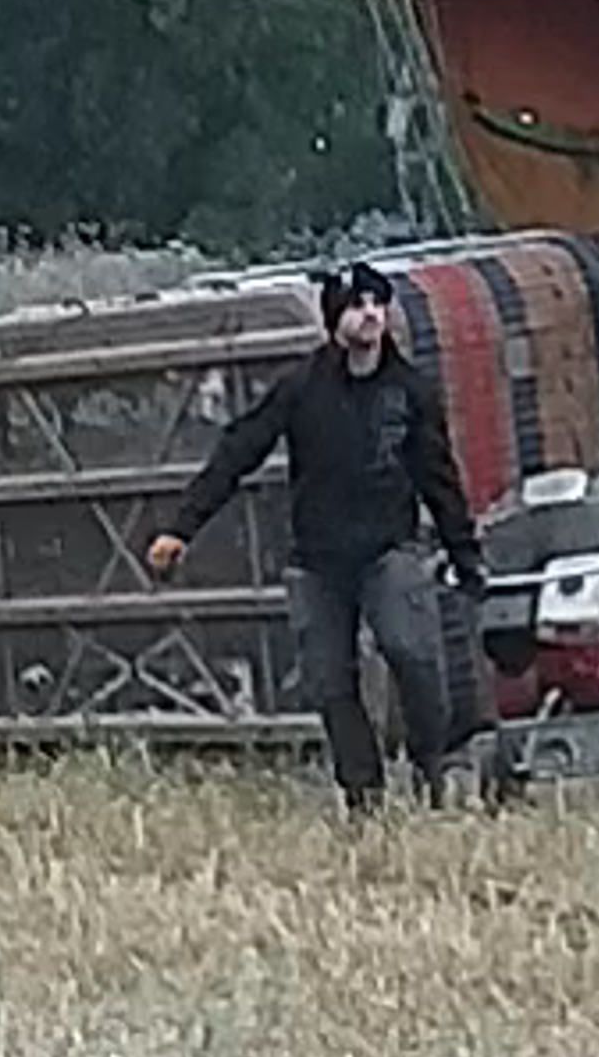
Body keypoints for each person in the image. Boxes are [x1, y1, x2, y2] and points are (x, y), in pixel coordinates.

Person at [148, 261, 484, 814]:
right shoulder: (301, 388)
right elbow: (240, 450)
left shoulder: (409, 391)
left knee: (411, 652)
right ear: (334, 320)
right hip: (319, 562)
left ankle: (433, 769)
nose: (371, 314)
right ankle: (363, 798)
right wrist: (182, 528)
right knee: (330, 682)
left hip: (388, 549)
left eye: (378, 302)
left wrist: (465, 555)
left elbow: (439, 478)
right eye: (357, 304)